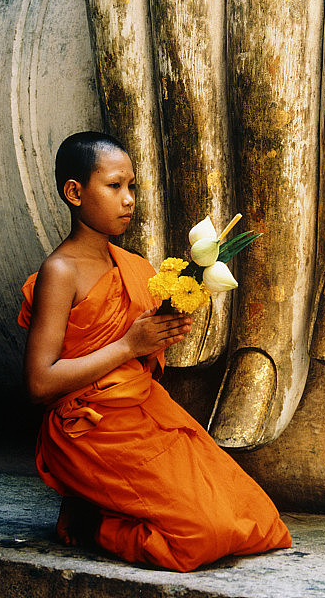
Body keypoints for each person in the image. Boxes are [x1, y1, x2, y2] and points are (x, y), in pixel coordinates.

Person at [18, 130, 291, 572]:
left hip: (142, 409)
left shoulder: (132, 266)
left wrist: (161, 332)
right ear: (74, 192)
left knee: (256, 517)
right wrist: (130, 344)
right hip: (87, 428)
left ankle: (102, 505)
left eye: (132, 186)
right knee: (201, 536)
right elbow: (38, 383)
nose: (128, 199)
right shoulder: (60, 271)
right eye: (114, 186)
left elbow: (140, 359)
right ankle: (92, 523)